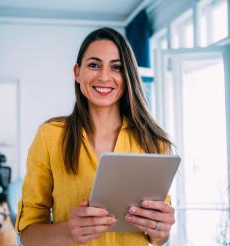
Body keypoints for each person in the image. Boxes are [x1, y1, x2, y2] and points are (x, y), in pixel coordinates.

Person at [15, 27, 175, 246]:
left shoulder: (154, 142)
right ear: (77, 72)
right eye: (94, 65)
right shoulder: (50, 136)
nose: (104, 76)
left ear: (128, 76)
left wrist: (160, 229)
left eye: (116, 67)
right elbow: (27, 234)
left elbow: (158, 238)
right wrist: (68, 232)